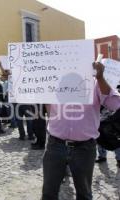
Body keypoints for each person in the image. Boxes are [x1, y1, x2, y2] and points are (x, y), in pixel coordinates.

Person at [42, 62, 120, 200]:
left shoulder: (95, 83)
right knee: (48, 192)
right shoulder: (51, 82)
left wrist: (101, 78)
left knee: (84, 194)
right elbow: (28, 94)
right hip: (55, 145)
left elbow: (114, 104)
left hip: (84, 148)